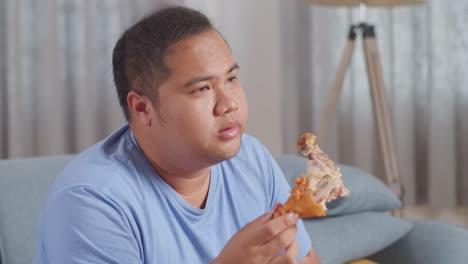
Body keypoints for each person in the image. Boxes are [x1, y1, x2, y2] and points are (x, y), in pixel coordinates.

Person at [34, 6, 320, 264]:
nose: (229, 103)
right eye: (202, 89)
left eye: (231, 79)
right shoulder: (91, 202)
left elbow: (307, 259)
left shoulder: (251, 158)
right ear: (142, 107)